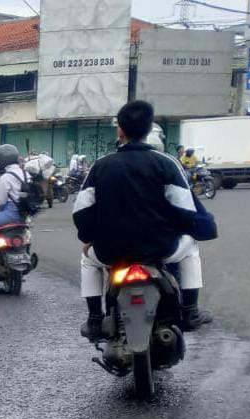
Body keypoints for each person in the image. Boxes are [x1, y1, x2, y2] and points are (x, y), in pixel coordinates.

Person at [73, 100, 213, 341]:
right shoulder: (167, 163)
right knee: (191, 248)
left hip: (110, 252)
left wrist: (88, 239)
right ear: (149, 130)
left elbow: (82, 212)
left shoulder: (100, 166)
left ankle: (95, 319)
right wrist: (175, 229)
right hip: (160, 249)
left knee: (88, 260)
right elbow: (186, 210)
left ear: (120, 130)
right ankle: (190, 311)